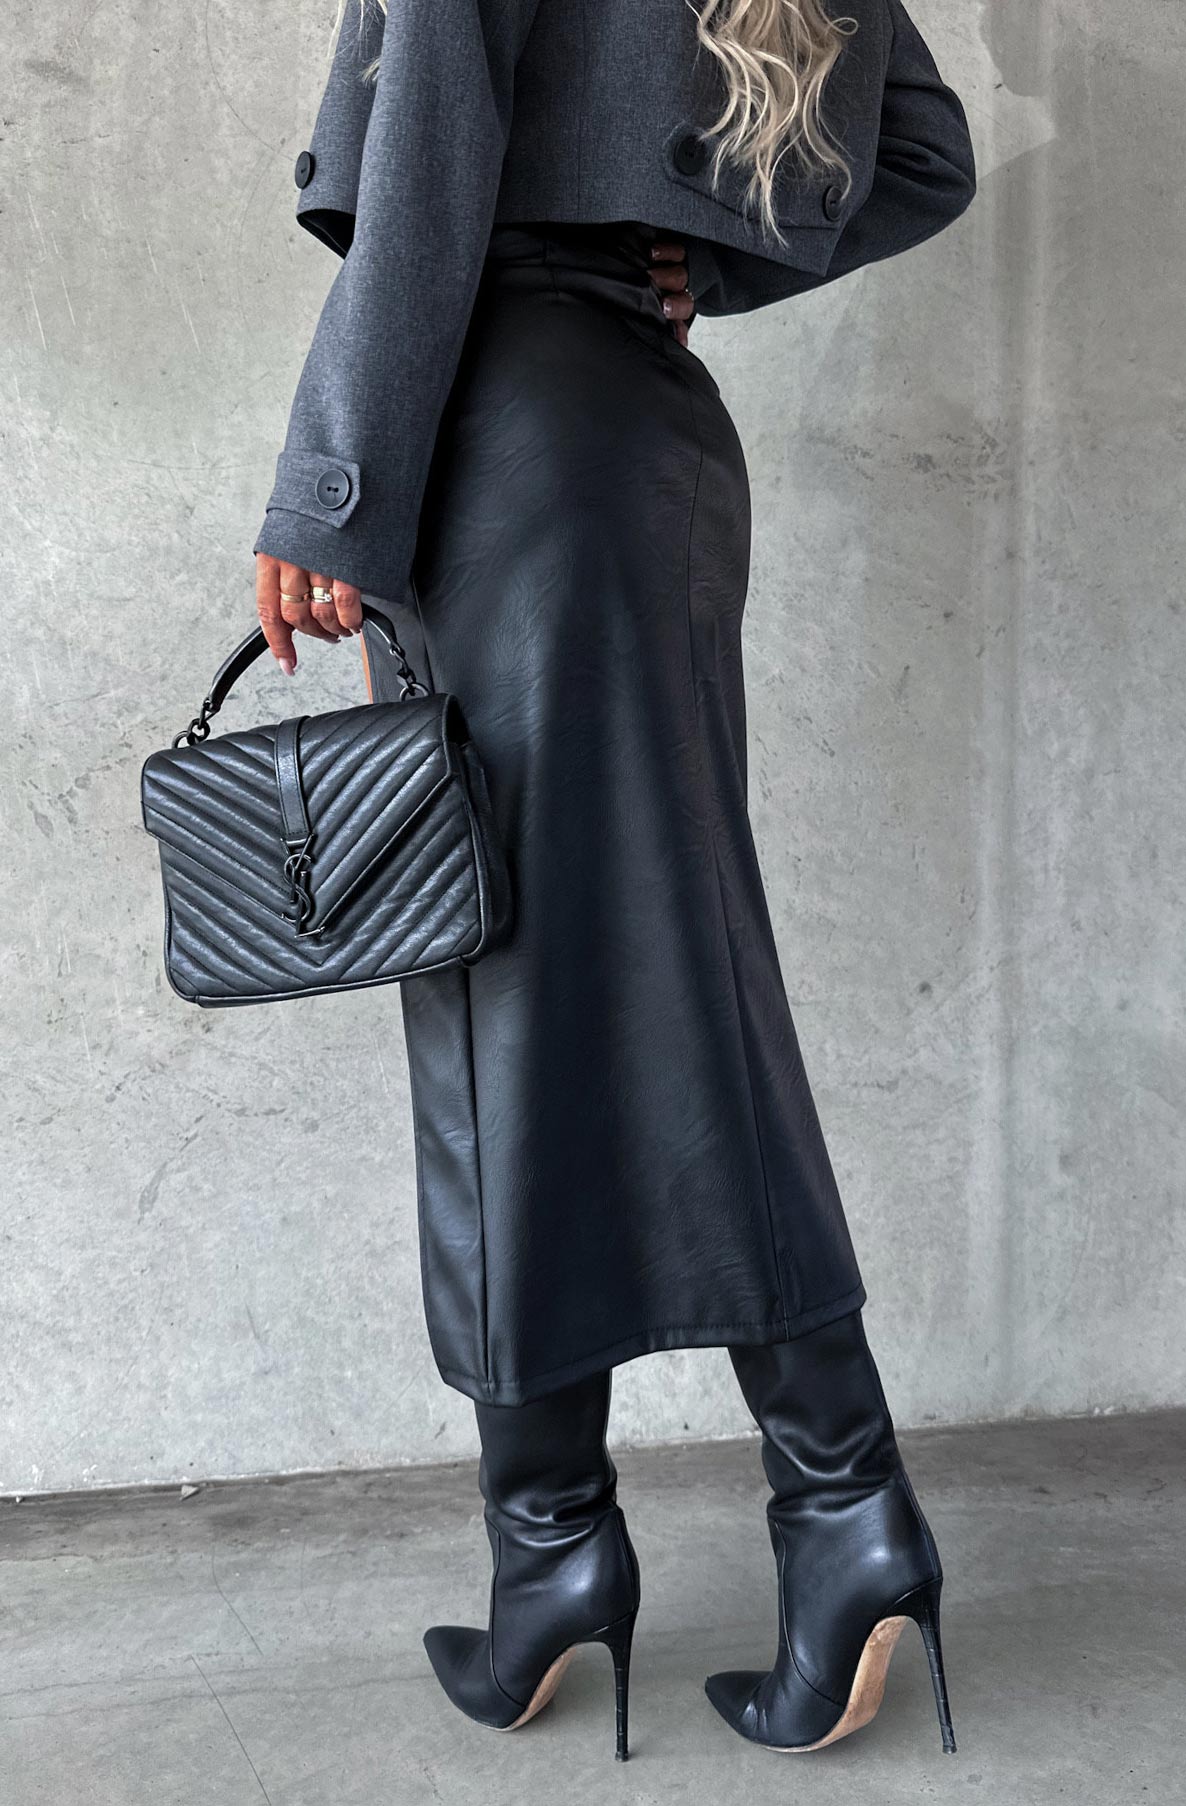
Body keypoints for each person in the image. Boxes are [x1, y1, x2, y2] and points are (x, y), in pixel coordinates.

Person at [252, 0, 976, 1763]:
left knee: (582, 998)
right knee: (583, 991)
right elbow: (922, 159)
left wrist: (326, 495)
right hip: (634, 442)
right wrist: (692, 273)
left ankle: (829, 1504)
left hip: (500, 450)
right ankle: (560, 1546)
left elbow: (427, 164)